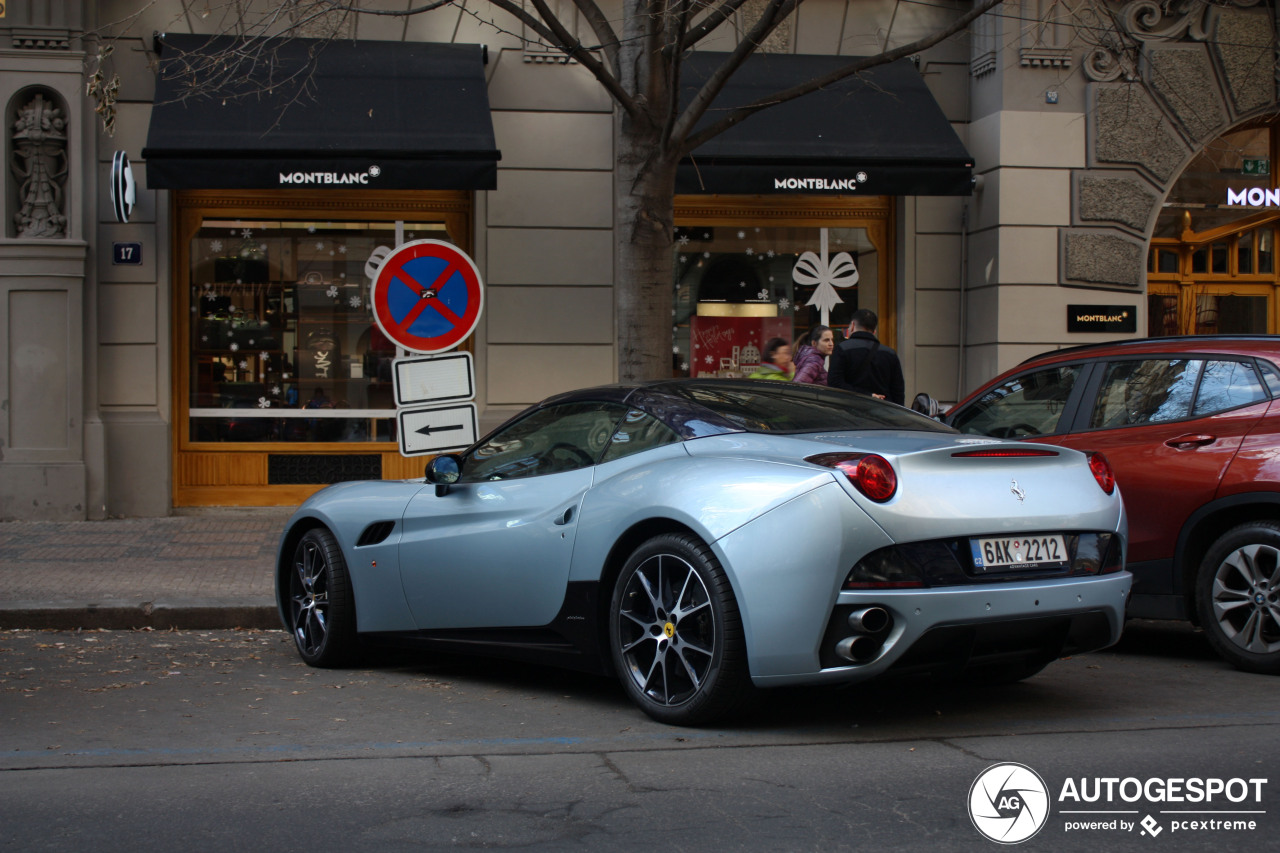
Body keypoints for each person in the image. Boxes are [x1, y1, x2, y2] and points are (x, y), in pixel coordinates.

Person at [827, 309, 905, 405]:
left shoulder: (842, 349)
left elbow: (834, 383)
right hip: (884, 411)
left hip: (850, 409)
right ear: (874, 331)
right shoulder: (890, 353)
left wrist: (867, 395)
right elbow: (898, 391)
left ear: (853, 325)